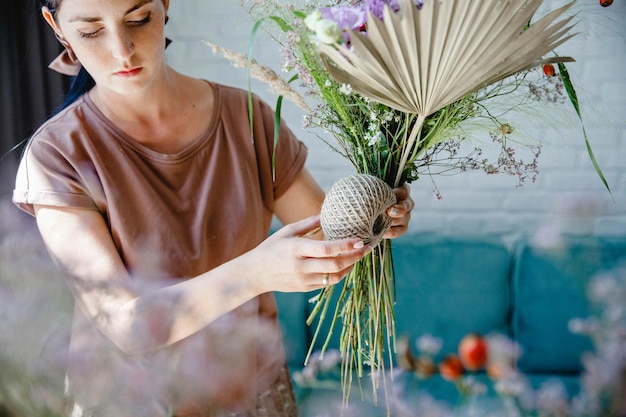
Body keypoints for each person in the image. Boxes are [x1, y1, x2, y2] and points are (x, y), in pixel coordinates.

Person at [12, 0, 414, 416]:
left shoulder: (248, 118)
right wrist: (256, 271)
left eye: (138, 19)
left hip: (247, 392)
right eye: (92, 30)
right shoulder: (57, 155)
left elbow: (328, 242)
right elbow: (125, 323)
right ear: (57, 29)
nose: (122, 49)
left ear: (165, 5)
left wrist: (376, 212)